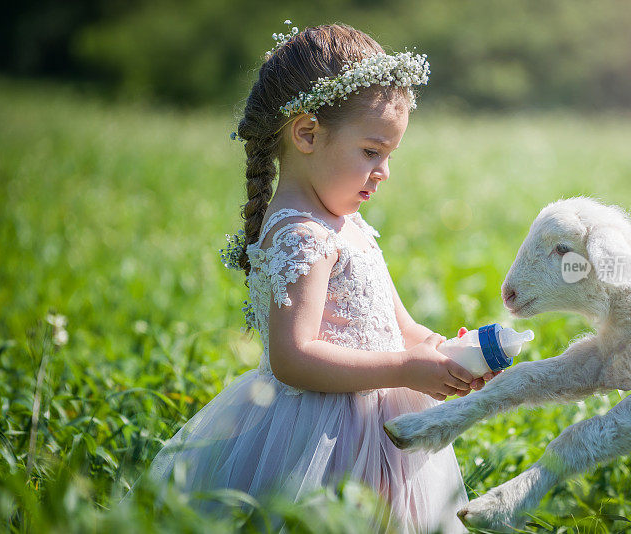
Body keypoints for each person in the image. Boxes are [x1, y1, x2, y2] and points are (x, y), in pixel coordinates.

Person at [140, 22, 497, 533]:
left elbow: (402, 327)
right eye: (372, 152)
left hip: (380, 429)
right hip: (318, 439)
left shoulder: (346, 223)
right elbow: (293, 356)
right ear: (307, 133)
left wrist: (447, 356)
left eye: (390, 156)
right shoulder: (300, 235)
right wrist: (402, 367)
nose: (385, 172)